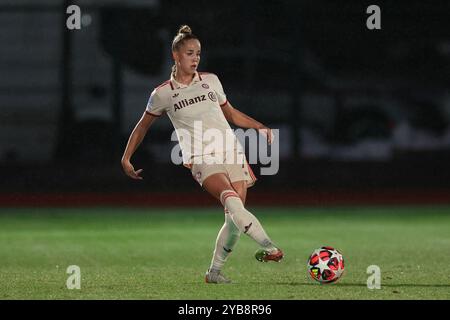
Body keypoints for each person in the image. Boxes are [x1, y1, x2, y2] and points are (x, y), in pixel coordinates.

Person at [121, 25, 283, 284]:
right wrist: (126, 157)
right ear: (176, 55)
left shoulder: (211, 80)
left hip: (231, 151)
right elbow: (142, 126)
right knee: (230, 201)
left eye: (198, 53)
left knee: (234, 219)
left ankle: (214, 273)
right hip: (200, 157)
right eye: (189, 53)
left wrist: (259, 126)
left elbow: (230, 113)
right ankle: (271, 248)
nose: (195, 58)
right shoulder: (162, 93)